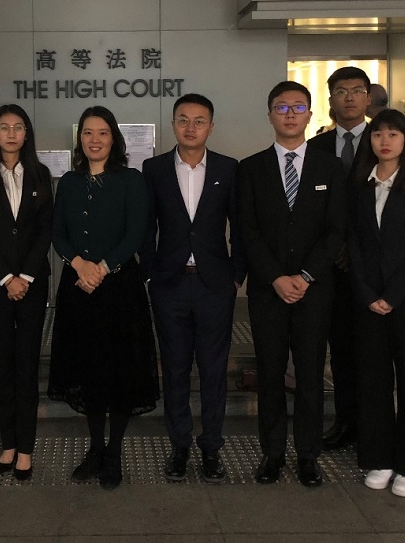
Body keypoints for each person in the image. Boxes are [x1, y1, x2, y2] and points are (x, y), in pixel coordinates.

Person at [237, 81, 345, 487]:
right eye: (281, 108)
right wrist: (275, 277)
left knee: (311, 373)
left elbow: (336, 231)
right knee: (269, 373)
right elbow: (246, 231)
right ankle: (273, 453)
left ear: (310, 115)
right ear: (269, 115)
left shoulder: (330, 167)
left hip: (314, 290)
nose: (289, 114)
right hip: (268, 291)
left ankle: (307, 455)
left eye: (298, 107)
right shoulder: (250, 168)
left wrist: (304, 276)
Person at [48, 105, 158, 490]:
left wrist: (103, 268)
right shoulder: (69, 182)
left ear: (115, 139)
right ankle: (95, 447)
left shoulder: (131, 179)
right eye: (88, 133)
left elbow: (136, 232)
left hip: (120, 289)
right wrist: (80, 265)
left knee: (120, 371)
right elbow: (57, 233)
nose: (95, 140)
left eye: (103, 132)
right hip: (79, 289)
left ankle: (114, 452)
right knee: (88, 369)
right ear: (80, 139)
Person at [140, 93, 245, 484]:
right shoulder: (153, 169)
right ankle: (180, 446)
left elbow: (241, 227)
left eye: (199, 121)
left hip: (214, 285)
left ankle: (212, 448)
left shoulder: (228, 168)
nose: (190, 127)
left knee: (214, 370)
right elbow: (146, 226)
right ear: (173, 125)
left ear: (211, 127)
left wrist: (236, 275)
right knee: (175, 368)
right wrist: (149, 274)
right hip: (169, 285)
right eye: (183, 119)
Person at [347, 108, 405, 499]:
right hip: (367, 302)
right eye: (377, 134)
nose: (384, 141)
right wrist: (368, 294)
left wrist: (392, 295)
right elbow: (352, 244)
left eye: (393, 134)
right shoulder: (359, 184)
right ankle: (379, 458)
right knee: (373, 382)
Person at [0, 104, 53, 482]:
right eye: (4, 127)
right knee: (2, 365)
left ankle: (25, 449)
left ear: (26, 133)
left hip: (32, 285)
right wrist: (6, 277)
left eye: (18, 127)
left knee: (27, 366)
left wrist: (25, 276)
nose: (11, 133)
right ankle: (8, 443)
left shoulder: (40, 173)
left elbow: (45, 229)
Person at [307, 66, 372, 451]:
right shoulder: (315, 147)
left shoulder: (383, 142)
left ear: (368, 97)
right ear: (330, 99)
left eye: (357, 90)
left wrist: (355, 248)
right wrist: (333, 250)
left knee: (371, 351)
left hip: (371, 267)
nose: (349, 97)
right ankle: (345, 421)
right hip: (328, 267)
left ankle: (373, 425)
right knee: (341, 349)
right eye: (342, 91)